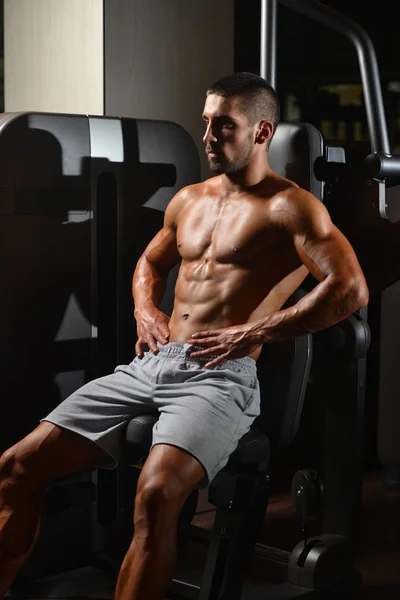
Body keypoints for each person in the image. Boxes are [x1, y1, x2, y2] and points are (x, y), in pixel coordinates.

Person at [0, 72, 368, 600]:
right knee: (16, 467)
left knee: (153, 498)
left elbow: (350, 289)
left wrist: (255, 330)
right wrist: (144, 307)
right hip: (154, 363)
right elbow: (150, 260)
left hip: (221, 379)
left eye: (224, 125)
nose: (210, 136)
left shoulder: (291, 208)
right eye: (206, 123)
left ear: (262, 132)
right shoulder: (189, 200)